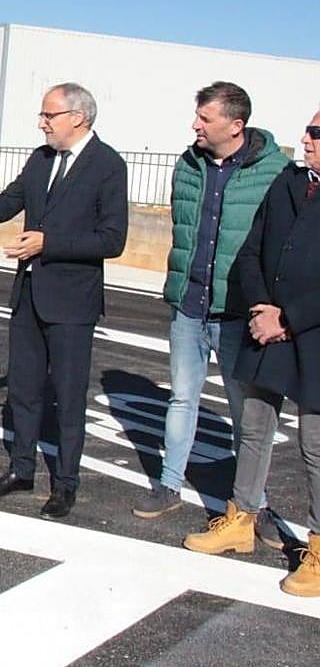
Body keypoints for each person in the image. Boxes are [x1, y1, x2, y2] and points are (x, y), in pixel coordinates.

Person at [0, 83, 128, 519]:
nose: (41, 122)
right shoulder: (41, 160)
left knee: (67, 397)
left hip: (71, 304)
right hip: (29, 296)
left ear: (77, 118)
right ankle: (21, 469)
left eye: (49, 115)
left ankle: (65, 484)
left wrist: (49, 242)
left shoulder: (108, 166)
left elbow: (112, 239)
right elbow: (5, 206)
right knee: (23, 392)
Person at [133, 83, 288, 535]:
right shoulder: (188, 165)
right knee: (183, 398)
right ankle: (169, 484)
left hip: (241, 313)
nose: (195, 126)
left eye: (205, 119)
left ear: (235, 126)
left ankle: (251, 504)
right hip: (190, 306)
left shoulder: (275, 172)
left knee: (249, 416)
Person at [182, 112, 320, 597]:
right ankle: (241, 520)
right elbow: (251, 251)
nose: (306, 139)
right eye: (308, 130)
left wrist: (289, 317)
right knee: (255, 428)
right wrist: (264, 310)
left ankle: (319, 550)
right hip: (267, 327)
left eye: (316, 133)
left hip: (311, 335)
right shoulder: (288, 184)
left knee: (315, 447)